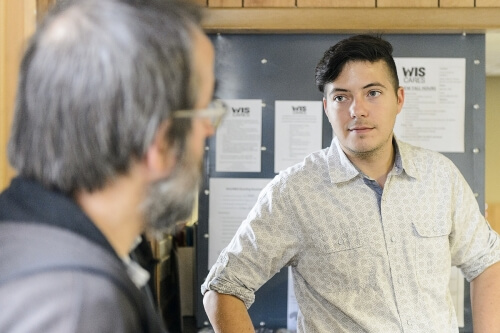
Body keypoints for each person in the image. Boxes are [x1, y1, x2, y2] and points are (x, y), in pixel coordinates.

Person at [202, 35, 500, 333]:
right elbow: (223, 288)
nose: (357, 110)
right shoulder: (294, 192)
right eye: (341, 97)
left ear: (399, 99)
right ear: (326, 107)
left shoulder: (440, 177)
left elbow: (486, 263)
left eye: (373, 93)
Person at [0, 0, 226, 331]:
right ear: (159, 143)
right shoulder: (77, 305)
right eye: (205, 110)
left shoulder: (27, 236)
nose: (209, 130)